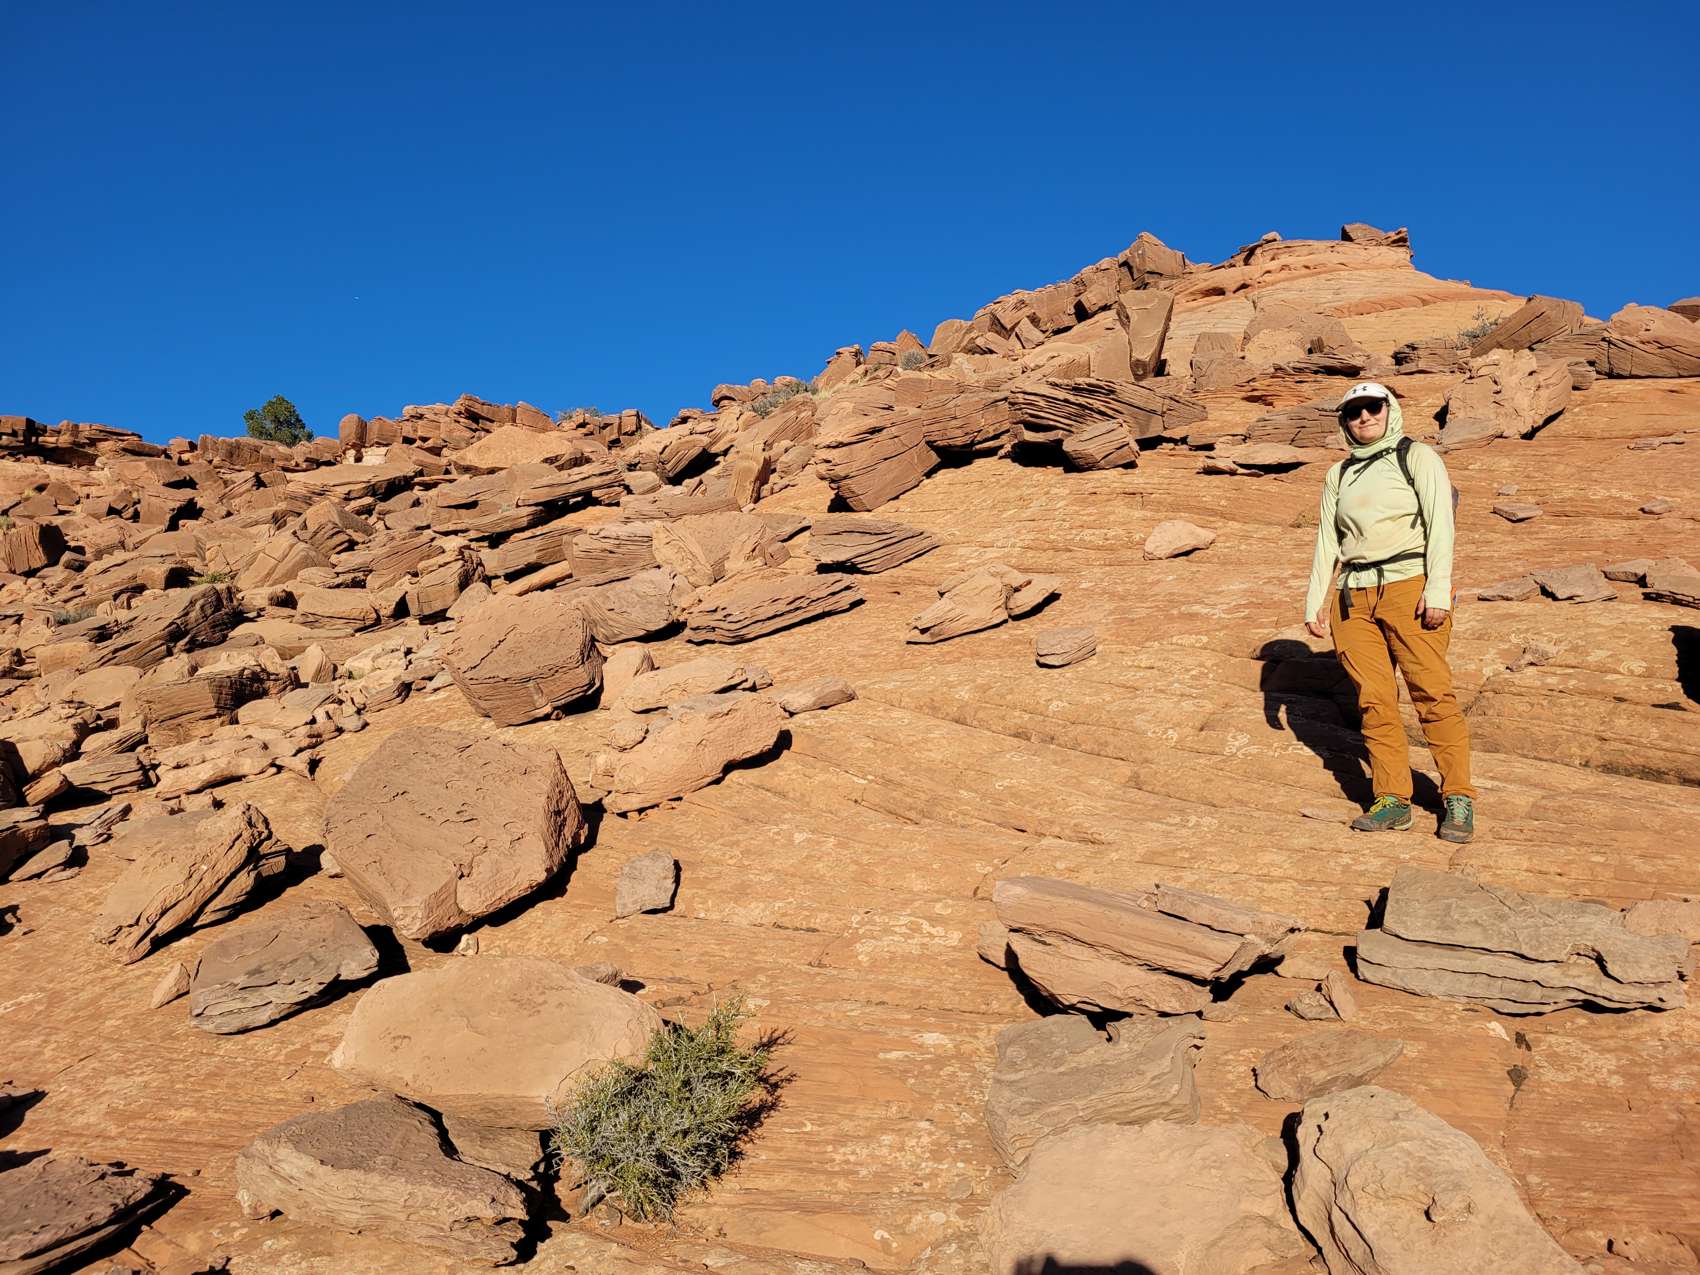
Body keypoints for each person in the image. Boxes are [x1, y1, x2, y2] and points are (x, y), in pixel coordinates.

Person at [1302, 381, 1475, 843]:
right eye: (1354, 411)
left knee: (1432, 693)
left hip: (1408, 586)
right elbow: (1327, 539)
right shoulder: (1338, 474)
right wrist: (1315, 600)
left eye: (1373, 407)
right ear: (1344, 420)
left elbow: (1441, 524)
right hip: (1353, 597)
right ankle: (1393, 799)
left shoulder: (1416, 456)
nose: (1364, 417)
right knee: (1374, 700)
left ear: (1389, 409)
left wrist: (1437, 589)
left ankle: (1458, 796)